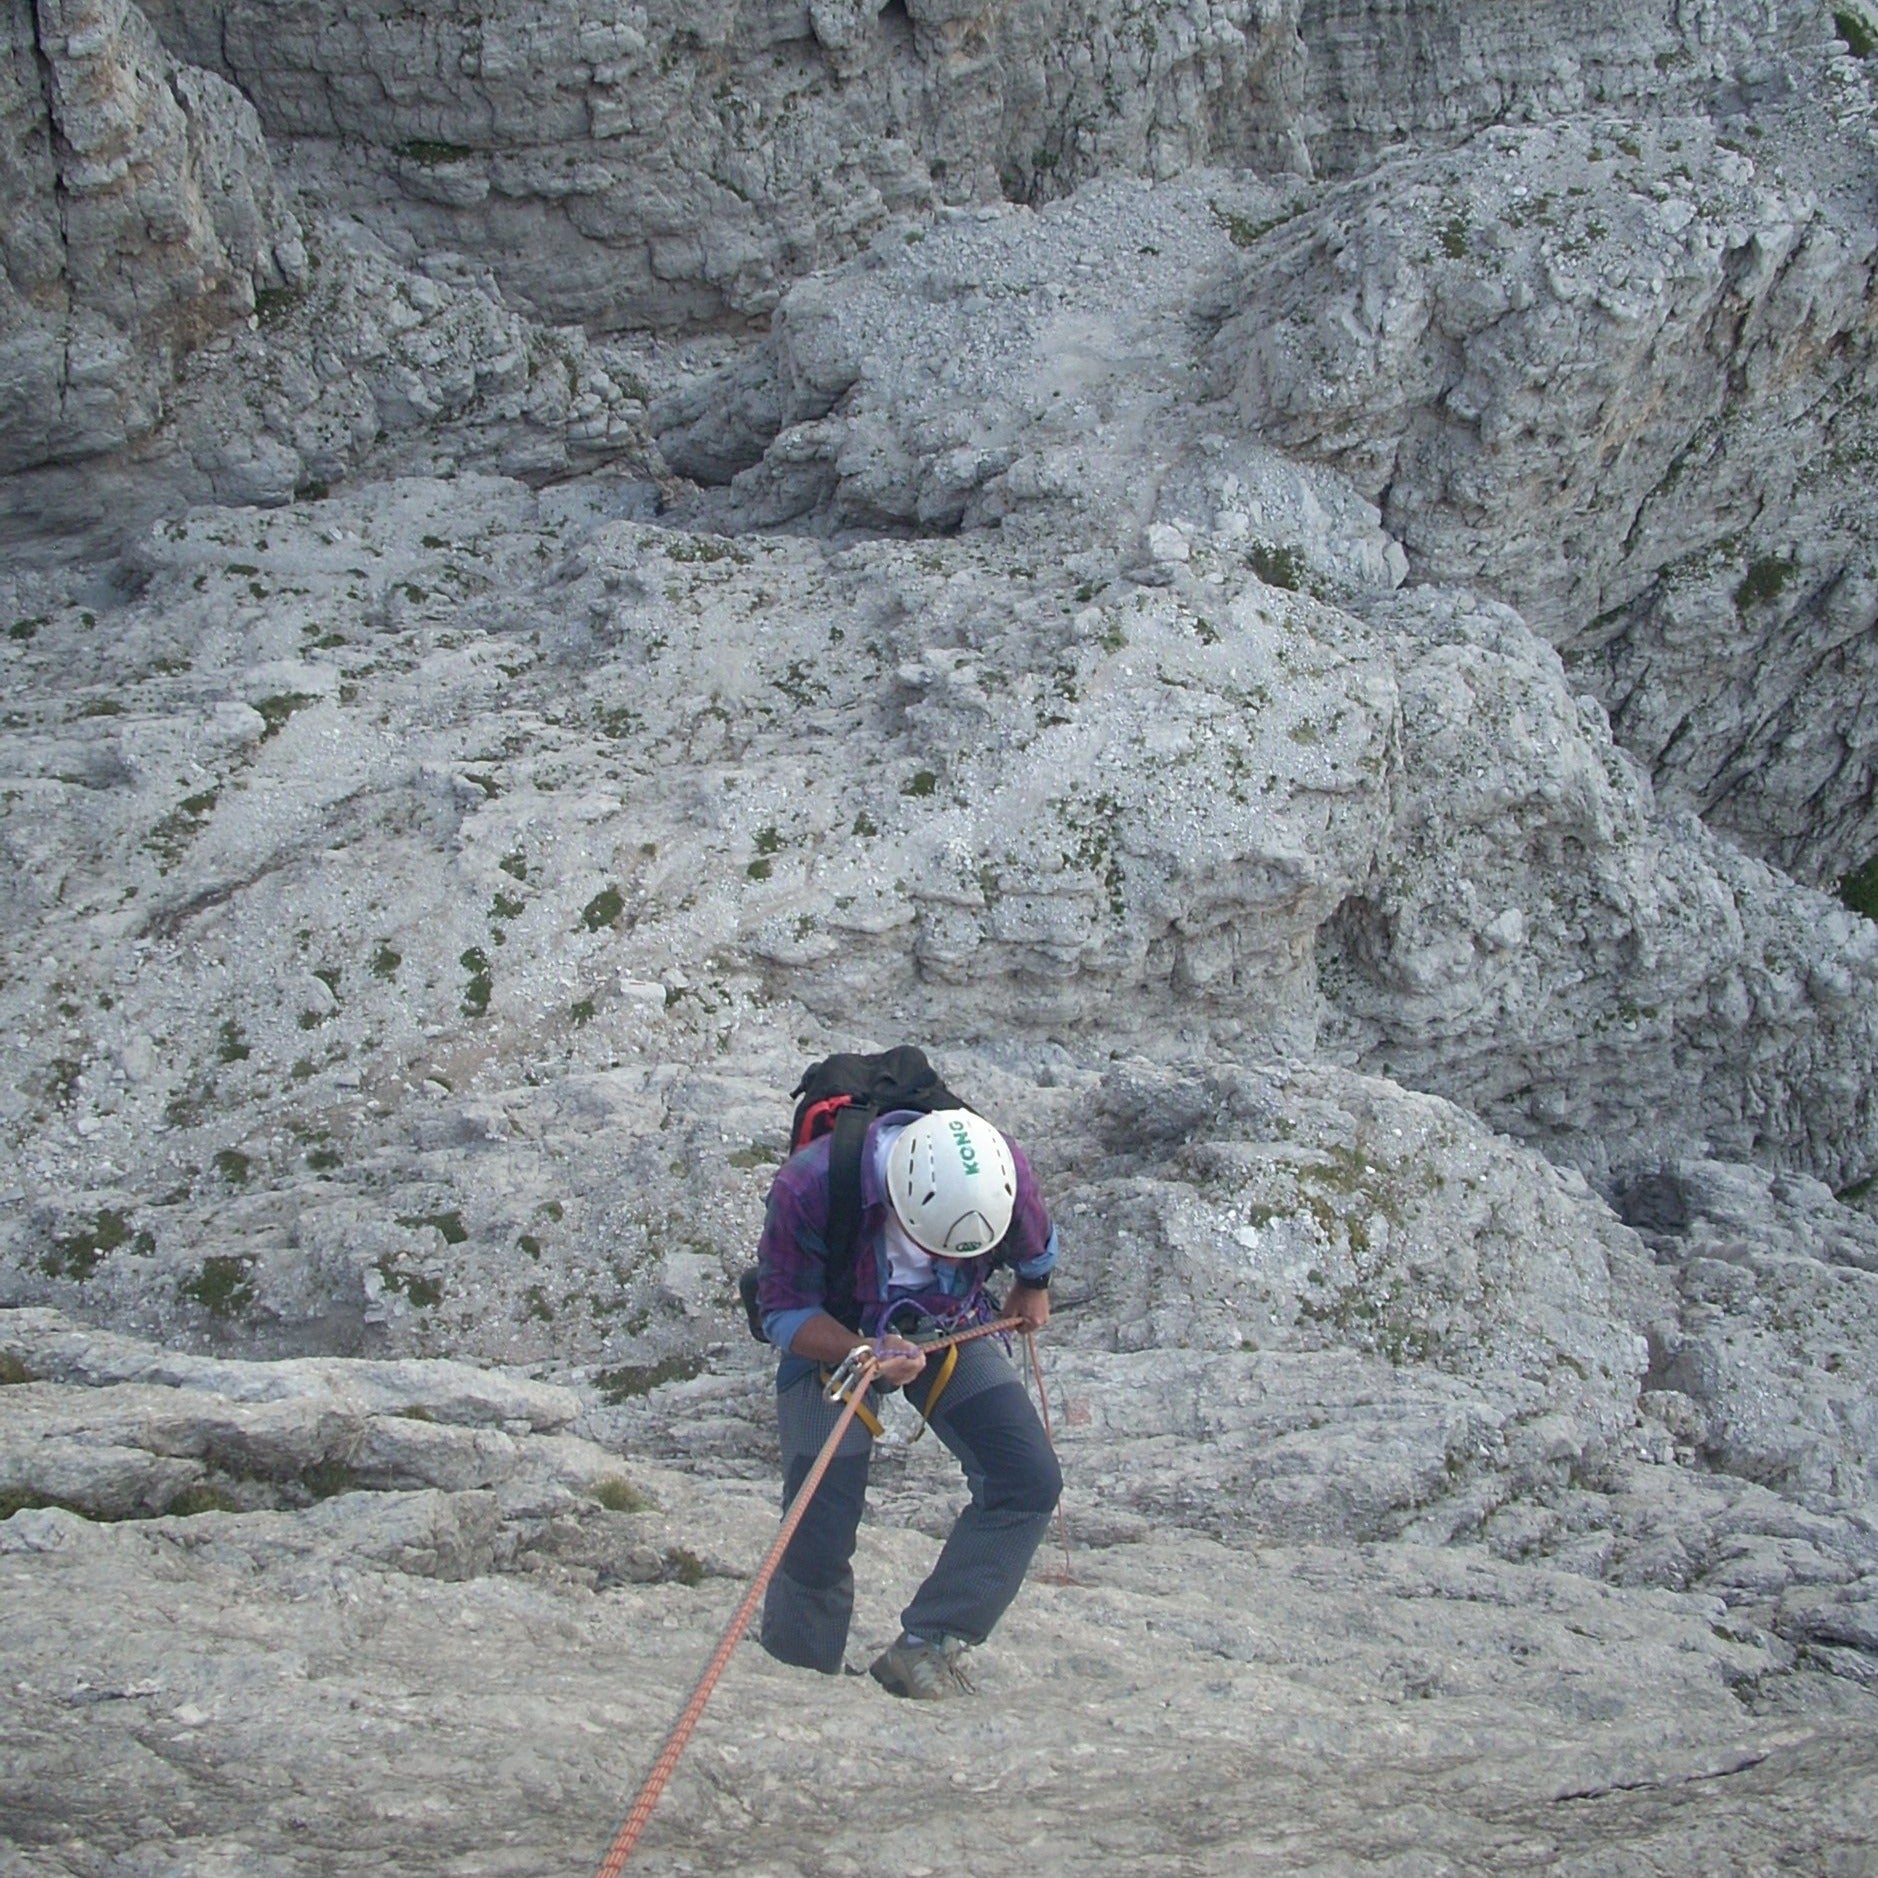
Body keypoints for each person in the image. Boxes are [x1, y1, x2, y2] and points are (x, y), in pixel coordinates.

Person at [754, 1105, 1061, 1698]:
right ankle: (799, 1682)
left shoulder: (1005, 1173)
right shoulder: (809, 1186)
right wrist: (864, 1348)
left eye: (959, 1255)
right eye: (934, 1247)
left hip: (945, 1325)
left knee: (1026, 1477)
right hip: (835, 1336)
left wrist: (1032, 1285)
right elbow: (783, 1314)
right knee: (818, 1520)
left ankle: (929, 1644)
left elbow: (1034, 1246)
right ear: (898, 1203)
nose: (946, 1262)